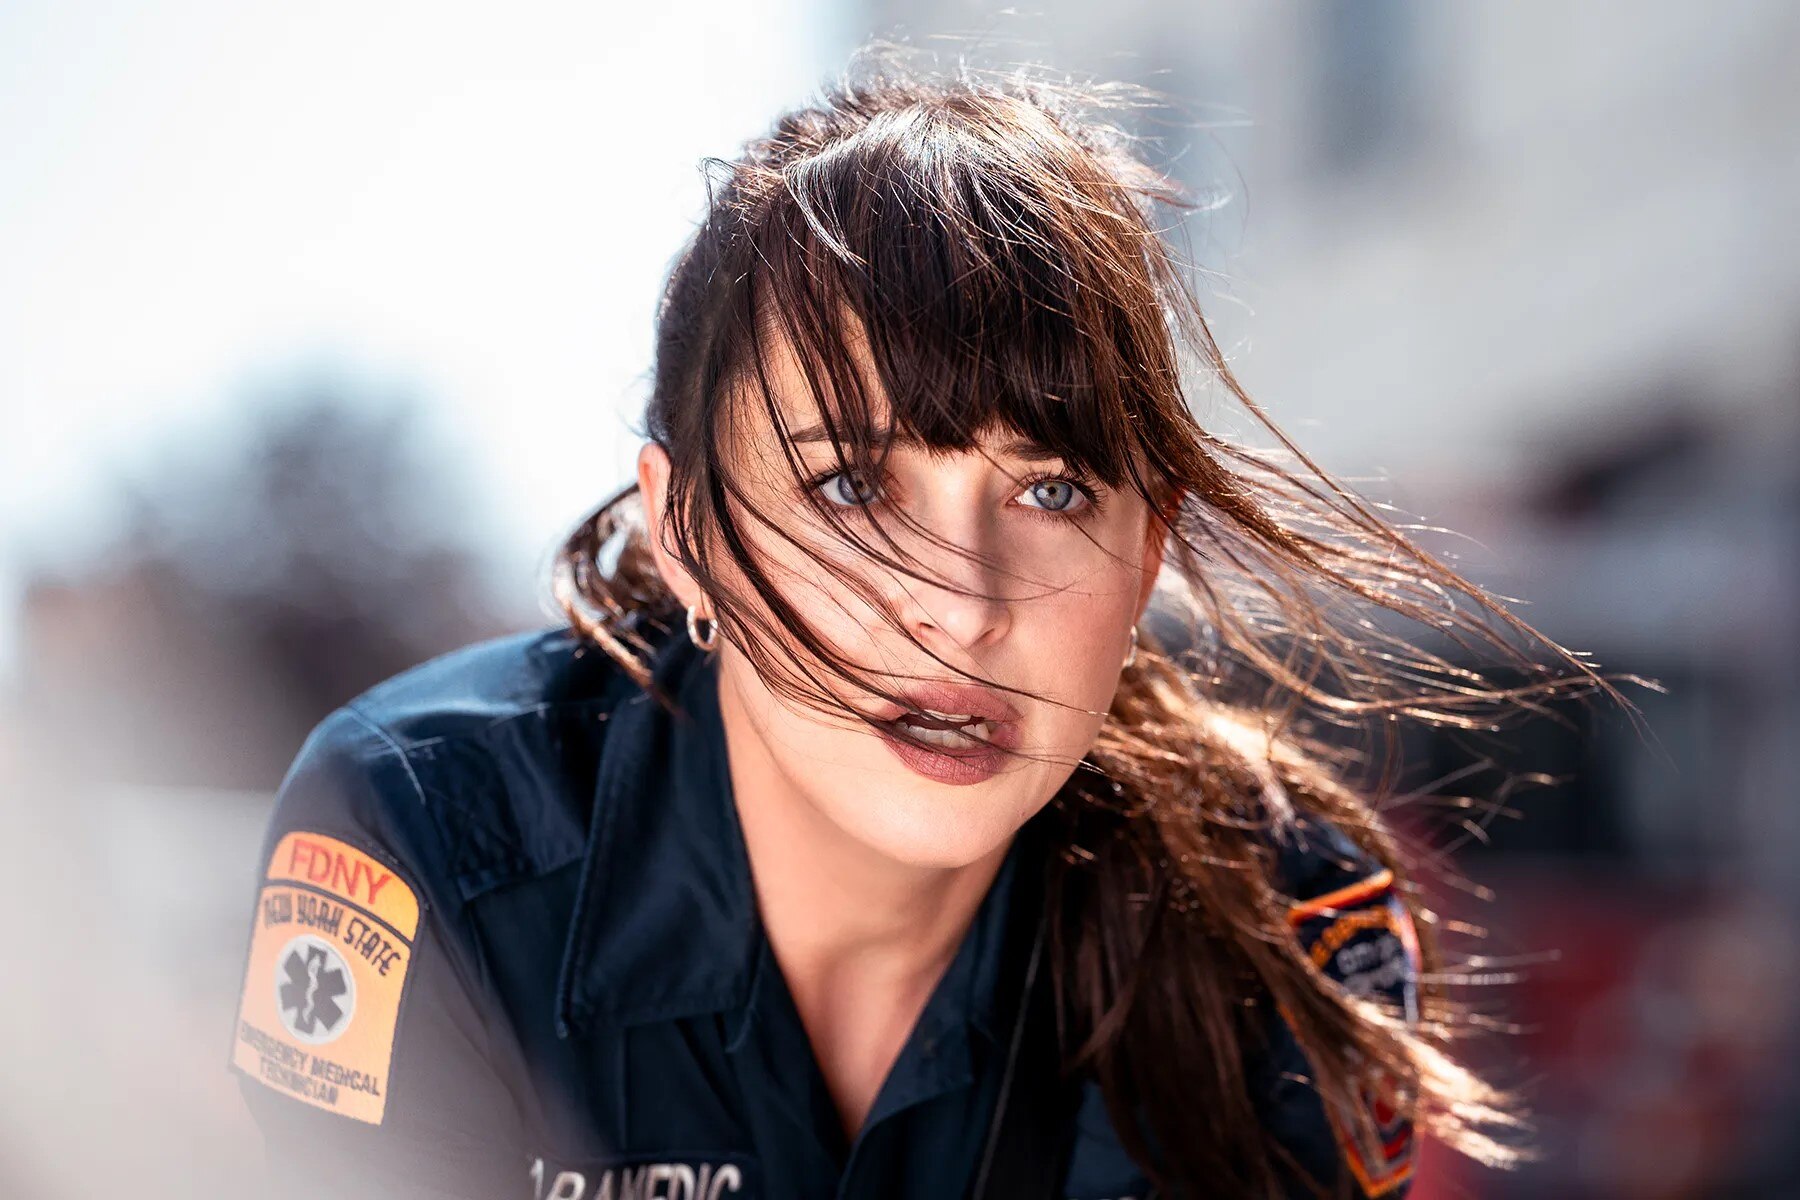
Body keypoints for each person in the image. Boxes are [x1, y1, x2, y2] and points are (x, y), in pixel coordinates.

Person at [223, 46, 1625, 1200]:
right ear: (686, 530)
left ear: (1147, 557)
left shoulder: (1281, 935)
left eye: (1052, 491)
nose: (962, 605)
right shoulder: (424, 844)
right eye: (849, 485)